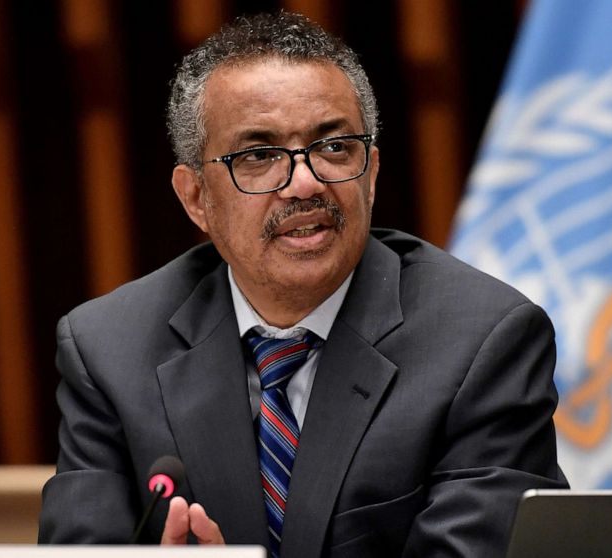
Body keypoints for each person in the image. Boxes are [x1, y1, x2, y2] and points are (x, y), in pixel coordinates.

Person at [38, 11, 567, 557]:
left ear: (373, 172)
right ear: (196, 197)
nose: (306, 182)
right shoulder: (109, 350)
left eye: (335, 148)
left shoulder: (483, 341)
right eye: (260, 156)